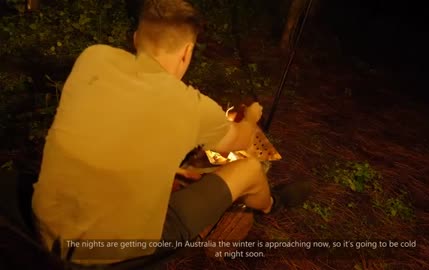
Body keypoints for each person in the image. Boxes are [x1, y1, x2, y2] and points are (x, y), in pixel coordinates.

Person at [31, 0, 310, 265]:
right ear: (187, 52)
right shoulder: (191, 106)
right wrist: (251, 116)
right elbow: (243, 139)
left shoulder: (93, 58)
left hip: (45, 226)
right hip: (110, 253)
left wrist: (173, 169)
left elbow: (121, 130)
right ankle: (270, 205)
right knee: (249, 168)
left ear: (136, 37)